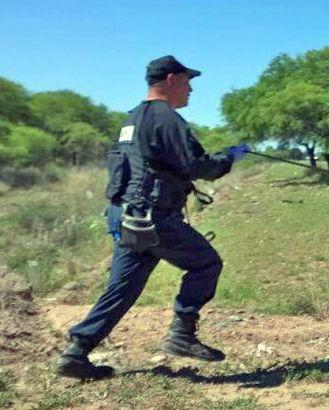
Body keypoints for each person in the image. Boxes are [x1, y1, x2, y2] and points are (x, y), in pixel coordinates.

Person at [56, 55, 250, 379]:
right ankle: (182, 334)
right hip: (152, 218)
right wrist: (231, 156)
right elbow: (199, 166)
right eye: (188, 82)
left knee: (123, 287)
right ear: (172, 79)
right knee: (206, 264)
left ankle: (77, 351)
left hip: (125, 216)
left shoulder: (131, 120)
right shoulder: (166, 118)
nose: (191, 90)